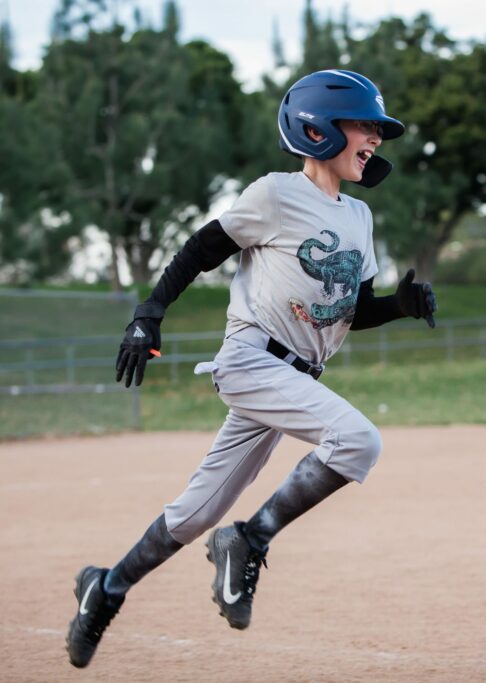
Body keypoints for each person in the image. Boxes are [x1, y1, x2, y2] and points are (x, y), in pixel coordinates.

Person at [65, 69, 437, 668]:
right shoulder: (274, 194)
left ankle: (105, 588)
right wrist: (149, 312)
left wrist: (398, 307)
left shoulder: (360, 220)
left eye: (378, 130)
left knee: (195, 515)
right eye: (364, 125)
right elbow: (200, 249)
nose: (375, 138)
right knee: (358, 442)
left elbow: (353, 310)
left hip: (291, 380)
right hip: (250, 360)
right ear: (318, 128)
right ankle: (251, 538)